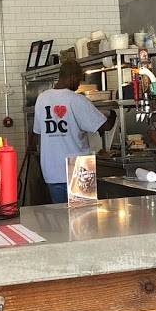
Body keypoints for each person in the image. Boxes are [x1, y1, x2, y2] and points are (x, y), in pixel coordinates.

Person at [33, 59, 116, 204]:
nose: (78, 85)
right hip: (79, 168)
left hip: (51, 168)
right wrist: (113, 112)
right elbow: (106, 126)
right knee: (83, 215)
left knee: (61, 214)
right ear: (72, 77)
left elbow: (37, 131)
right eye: (78, 80)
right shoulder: (77, 99)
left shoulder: (42, 98)